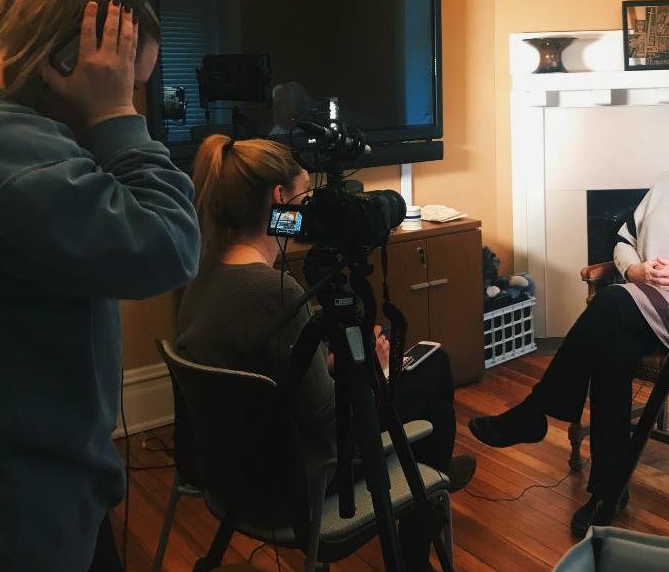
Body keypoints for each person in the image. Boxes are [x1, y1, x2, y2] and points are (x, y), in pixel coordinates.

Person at [0, 0, 200, 572]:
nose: (137, 103)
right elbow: (168, 243)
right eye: (130, 85)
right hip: (9, 513)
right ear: (67, 61)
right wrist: (114, 115)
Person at [468, 98, 669, 537]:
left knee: (612, 302)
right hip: (648, 305)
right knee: (612, 349)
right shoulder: (666, 182)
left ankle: (538, 410)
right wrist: (635, 269)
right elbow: (622, 237)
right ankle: (607, 492)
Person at [176, 134, 476, 571]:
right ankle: (418, 531)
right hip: (300, 485)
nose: (306, 218)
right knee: (434, 365)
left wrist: (326, 363)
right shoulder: (270, 292)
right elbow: (325, 421)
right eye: (303, 202)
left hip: (231, 478)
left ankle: (430, 483)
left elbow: (267, 377)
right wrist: (378, 370)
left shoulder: (199, 278)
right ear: (279, 200)